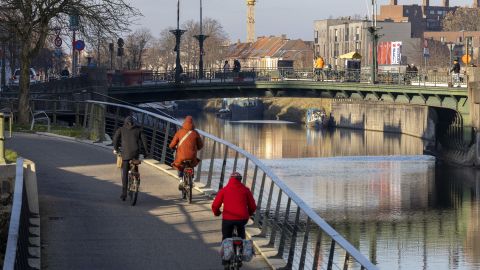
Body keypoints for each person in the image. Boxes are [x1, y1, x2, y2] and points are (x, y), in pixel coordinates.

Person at [211, 172, 256, 265]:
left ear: (230, 180)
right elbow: (252, 206)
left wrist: (217, 213)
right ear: (240, 180)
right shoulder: (246, 190)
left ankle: (225, 258)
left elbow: (215, 205)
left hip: (228, 219)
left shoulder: (224, 190)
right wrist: (249, 214)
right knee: (241, 234)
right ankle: (241, 254)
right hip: (242, 219)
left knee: (226, 237)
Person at [113, 116, 149, 201]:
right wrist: (146, 152)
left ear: (125, 122)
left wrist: (116, 149)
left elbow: (115, 139)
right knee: (135, 167)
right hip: (135, 153)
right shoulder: (138, 130)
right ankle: (136, 180)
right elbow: (145, 141)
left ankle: (124, 193)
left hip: (125, 154)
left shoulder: (121, 129)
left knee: (125, 173)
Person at [169, 116, 204, 188]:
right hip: (191, 156)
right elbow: (200, 145)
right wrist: (196, 148)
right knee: (191, 164)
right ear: (192, 124)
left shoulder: (179, 132)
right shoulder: (195, 132)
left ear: (184, 123)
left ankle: (181, 180)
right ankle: (192, 179)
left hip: (182, 156)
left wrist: (172, 147)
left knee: (179, 165)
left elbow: (172, 144)